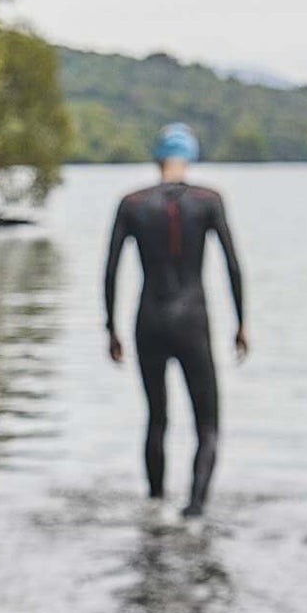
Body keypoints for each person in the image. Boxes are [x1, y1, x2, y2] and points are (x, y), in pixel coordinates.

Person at [103, 124, 248, 518]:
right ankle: (195, 511)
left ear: (156, 157)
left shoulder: (132, 203)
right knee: (207, 424)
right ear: (192, 156)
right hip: (192, 322)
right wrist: (241, 323)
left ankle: (154, 505)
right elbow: (233, 265)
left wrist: (110, 328)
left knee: (156, 417)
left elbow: (111, 269)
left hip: (147, 320)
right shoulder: (209, 201)